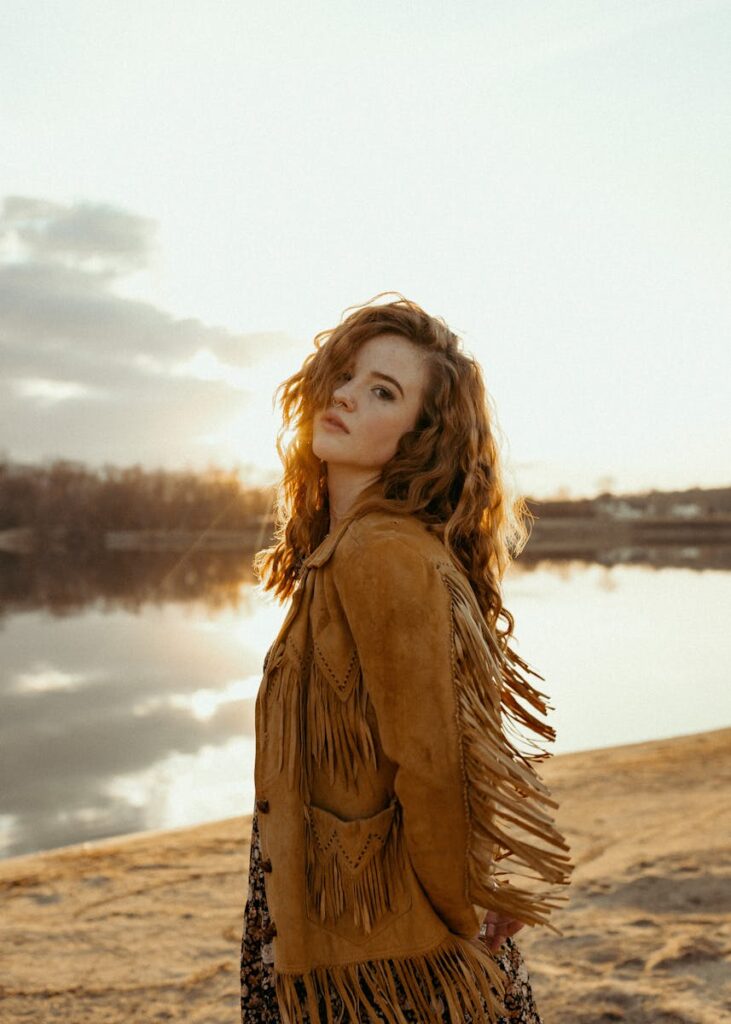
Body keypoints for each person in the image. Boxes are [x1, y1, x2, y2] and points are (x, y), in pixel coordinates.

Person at [241, 293, 574, 1023]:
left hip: (389, 957)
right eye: (347, 375)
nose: (346, 396)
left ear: (420, 437)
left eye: (382, 392)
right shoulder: (343, 551)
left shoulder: (382, 554)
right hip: (349, 930)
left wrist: (464, 912)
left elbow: (433, 762)